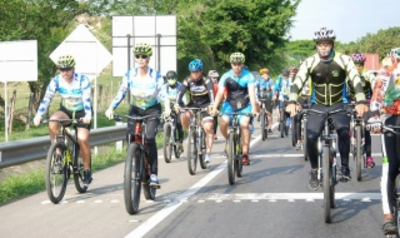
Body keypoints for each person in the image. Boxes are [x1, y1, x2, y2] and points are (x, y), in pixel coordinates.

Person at [285, 27, 369, 189]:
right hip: (318, 105)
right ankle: (314, 170)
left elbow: (355, 80)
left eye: (327, 44)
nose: (323, 47)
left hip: (339, 103)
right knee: (310, 137)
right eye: (320, 44)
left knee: (344, 132)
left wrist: (360, 101)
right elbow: (298, 82)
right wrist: (292, 101)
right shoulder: (310, 62)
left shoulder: (344, 60)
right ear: (316, 45)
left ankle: (344, 166)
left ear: (332, 44)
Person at [105, 42, 167, 189]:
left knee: (150, 138)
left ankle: (153, 174)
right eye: (137, 56)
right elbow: (121, 92)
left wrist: (168, 107)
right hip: (136, 109)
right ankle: (134, 158)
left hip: (152, 109)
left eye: (143, 56)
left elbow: (163, 94)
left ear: (149, 58)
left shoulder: (156, 75)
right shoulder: (130, 75)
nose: (140, 59)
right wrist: (111, 107)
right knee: (130, 136)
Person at [33, 54, 93, 187]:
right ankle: (58, 155)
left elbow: (87, 99)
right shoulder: (56, 80)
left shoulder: (82, 80)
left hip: (82, 111)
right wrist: (39, 115)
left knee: (82, 139)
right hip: (66, 110)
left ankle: (87, 170)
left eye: (68, 69)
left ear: (73, 69)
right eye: (62, 69)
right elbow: (47, 98)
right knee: (53, 121)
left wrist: (88, 115)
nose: (65, 72)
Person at [369, 53, 400, 236]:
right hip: (390, 119)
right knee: (390, 168)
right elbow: (378, 94)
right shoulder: (389, 67)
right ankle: (388, 216)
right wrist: (374, 116)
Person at [211, 52, 257, 165]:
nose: (237, 66)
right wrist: (214, 108)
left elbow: (251, 93)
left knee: (244, 124)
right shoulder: (226, 76)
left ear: (242, 64)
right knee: (223, 121)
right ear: (231, 64)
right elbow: (220, 93)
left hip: (245, 105)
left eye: (239, 64)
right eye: (234, 64)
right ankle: (228, 140)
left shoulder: (249, 76)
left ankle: (245, 154)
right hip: (230, 104)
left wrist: (254, 109)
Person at [174, 59, 215, 163]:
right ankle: (191, 134)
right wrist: (177, 103)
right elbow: (180, 92)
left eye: (196, 72)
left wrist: (212, 104)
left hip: (206, 105)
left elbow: (211, 92)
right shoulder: (187, 80)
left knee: (208, 127)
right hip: (193, 105)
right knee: (183, 116)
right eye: (192, 72)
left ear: (201, 71)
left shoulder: (207, 80)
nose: (194, 74)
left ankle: (208, 154)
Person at [347, 52, 377, 168]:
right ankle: (350, 134)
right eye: (355, 64)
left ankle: (369, 157)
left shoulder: (368, 73)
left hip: (366, 101)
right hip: (351, 100)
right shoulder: (347, 75)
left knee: (366, 127)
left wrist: (376, 97)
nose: (358, 67)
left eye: (360, 64)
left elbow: (375, 84)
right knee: (343, 124)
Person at [160, 70, 186, 153]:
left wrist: (185, 107)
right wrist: (167, 109)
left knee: (179, 124)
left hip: (179, 104)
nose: (171, 80)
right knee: (167, 120)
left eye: (172, 78)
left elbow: (184, 98)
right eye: (169, 78)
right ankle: (169, 134)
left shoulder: (180, 86)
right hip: (169, 104)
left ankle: (181, 144)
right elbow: (164, 99)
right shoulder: (164, 87)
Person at [290, 66, 311, 150]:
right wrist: (295, 103)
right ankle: (298, 140)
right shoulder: (296, 77)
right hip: (300, 98)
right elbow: (293, 90)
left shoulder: (312, 76)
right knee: (297, 118)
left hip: (310, 97)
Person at [255, 67, 275, 134]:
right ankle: (258, 114)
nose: (266, 75)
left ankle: (269, 127)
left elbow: (273, 89)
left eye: (267, 74)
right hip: (260, 97)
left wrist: (274, 96)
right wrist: (256, 98)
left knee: (269, 113)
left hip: (268, 98)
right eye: (264, 74)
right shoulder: (258, 81)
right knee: (257, 105)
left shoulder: (270, 81)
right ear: (261, 75)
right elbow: (255, 90)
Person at [208, 70, 220, 140]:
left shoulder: (218, 85)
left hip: (216, 103)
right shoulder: (206, 84)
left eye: (216, 78)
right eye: (213, 78)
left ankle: (214, 133)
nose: (215, 79)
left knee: (215, 118)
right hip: (207, 103)